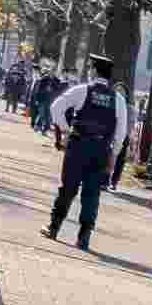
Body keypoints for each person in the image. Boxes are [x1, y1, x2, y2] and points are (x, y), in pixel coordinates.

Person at [40, 54, 127, 251]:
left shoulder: (82, 90)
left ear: (94, 71)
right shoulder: (118, 99)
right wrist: (113, 156)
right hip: (101, 150)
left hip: (78, 146)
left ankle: (53, 228)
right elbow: (121, 133)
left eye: (90, 68)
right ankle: (84, 238)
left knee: (68, 188)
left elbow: (56, 108)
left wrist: (65, 130)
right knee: (92, 194)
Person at [106, 83, 135, 193]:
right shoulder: (109, 103)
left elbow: (130, 126)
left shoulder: (130, 109)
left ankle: (114, 182)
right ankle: (104, 179)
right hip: (108, 135)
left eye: (122, 91)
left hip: (123, 136)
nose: (119, 93)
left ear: (126, 95)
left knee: (119, 161)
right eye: (117, 90)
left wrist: (126, 139)